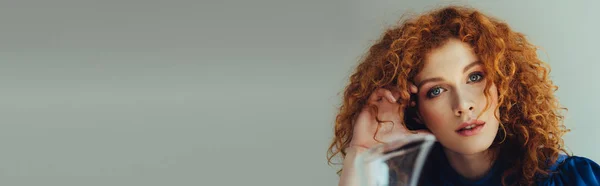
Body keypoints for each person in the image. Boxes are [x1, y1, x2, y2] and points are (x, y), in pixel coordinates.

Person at [327, 5, 600, 186]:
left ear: (502, 83)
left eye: (475, 77)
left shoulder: (569, 178)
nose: (463, 105)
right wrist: (361, 154)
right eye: (436, 91)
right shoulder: (402, 180)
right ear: (415, 109)